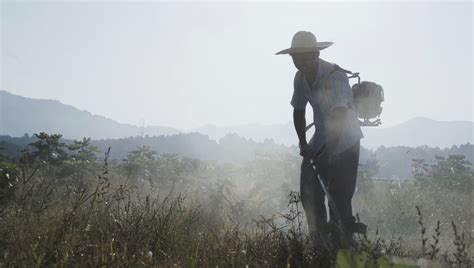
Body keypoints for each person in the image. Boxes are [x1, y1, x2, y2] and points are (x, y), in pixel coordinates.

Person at [276, 31, 365, 242]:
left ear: (316, 54)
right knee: (309, 191)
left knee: (338, 197)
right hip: (321, 138)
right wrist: (304, 144)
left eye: (306, 57)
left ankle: (342, 245)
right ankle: (318, 243)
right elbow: (298, 110)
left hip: (345, 142)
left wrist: (329, 154)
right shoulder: (300, 78)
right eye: (296, 58)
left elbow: (340, 117)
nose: (301, 62)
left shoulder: (335, 76)